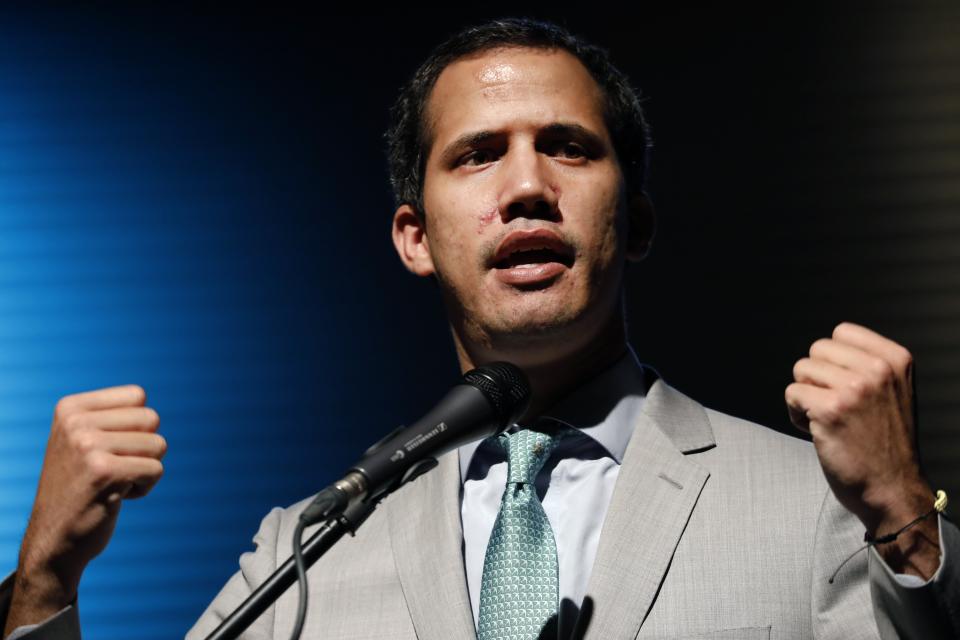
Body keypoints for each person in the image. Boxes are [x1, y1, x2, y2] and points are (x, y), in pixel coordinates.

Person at [2, 16, 958, 640]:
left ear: (639, 218)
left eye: (570, 148)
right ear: (414, 238)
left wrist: (905, 520)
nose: (529, 187)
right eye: (476, 156)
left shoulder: (824, 504)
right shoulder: (310, 543)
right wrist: (43, 581)